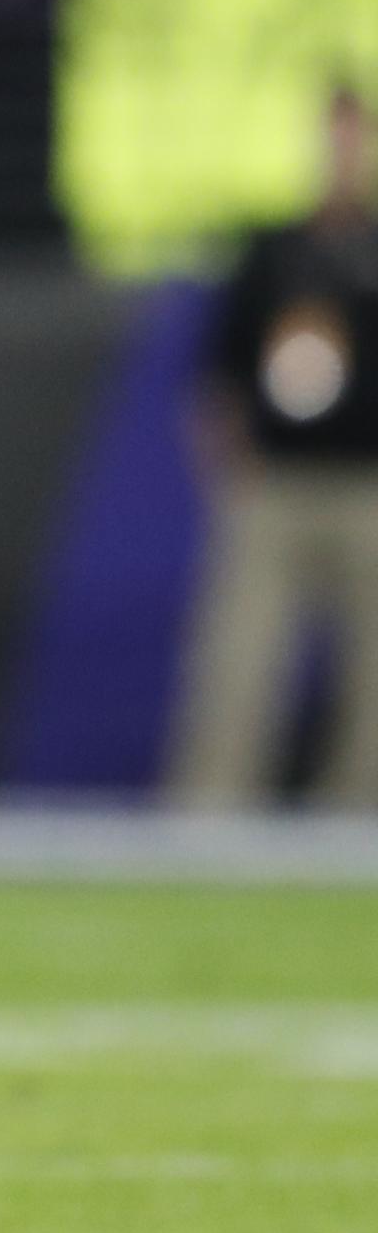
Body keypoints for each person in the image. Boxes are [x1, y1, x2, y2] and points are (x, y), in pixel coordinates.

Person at [170, 90, 378, 808]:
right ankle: (209, 815)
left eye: (355, 140)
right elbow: (217, 373)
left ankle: (358, 820)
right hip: (277, 483)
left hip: (366, 487)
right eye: (331, 139)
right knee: (237, 661)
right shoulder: (270, 248)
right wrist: (231, 466)